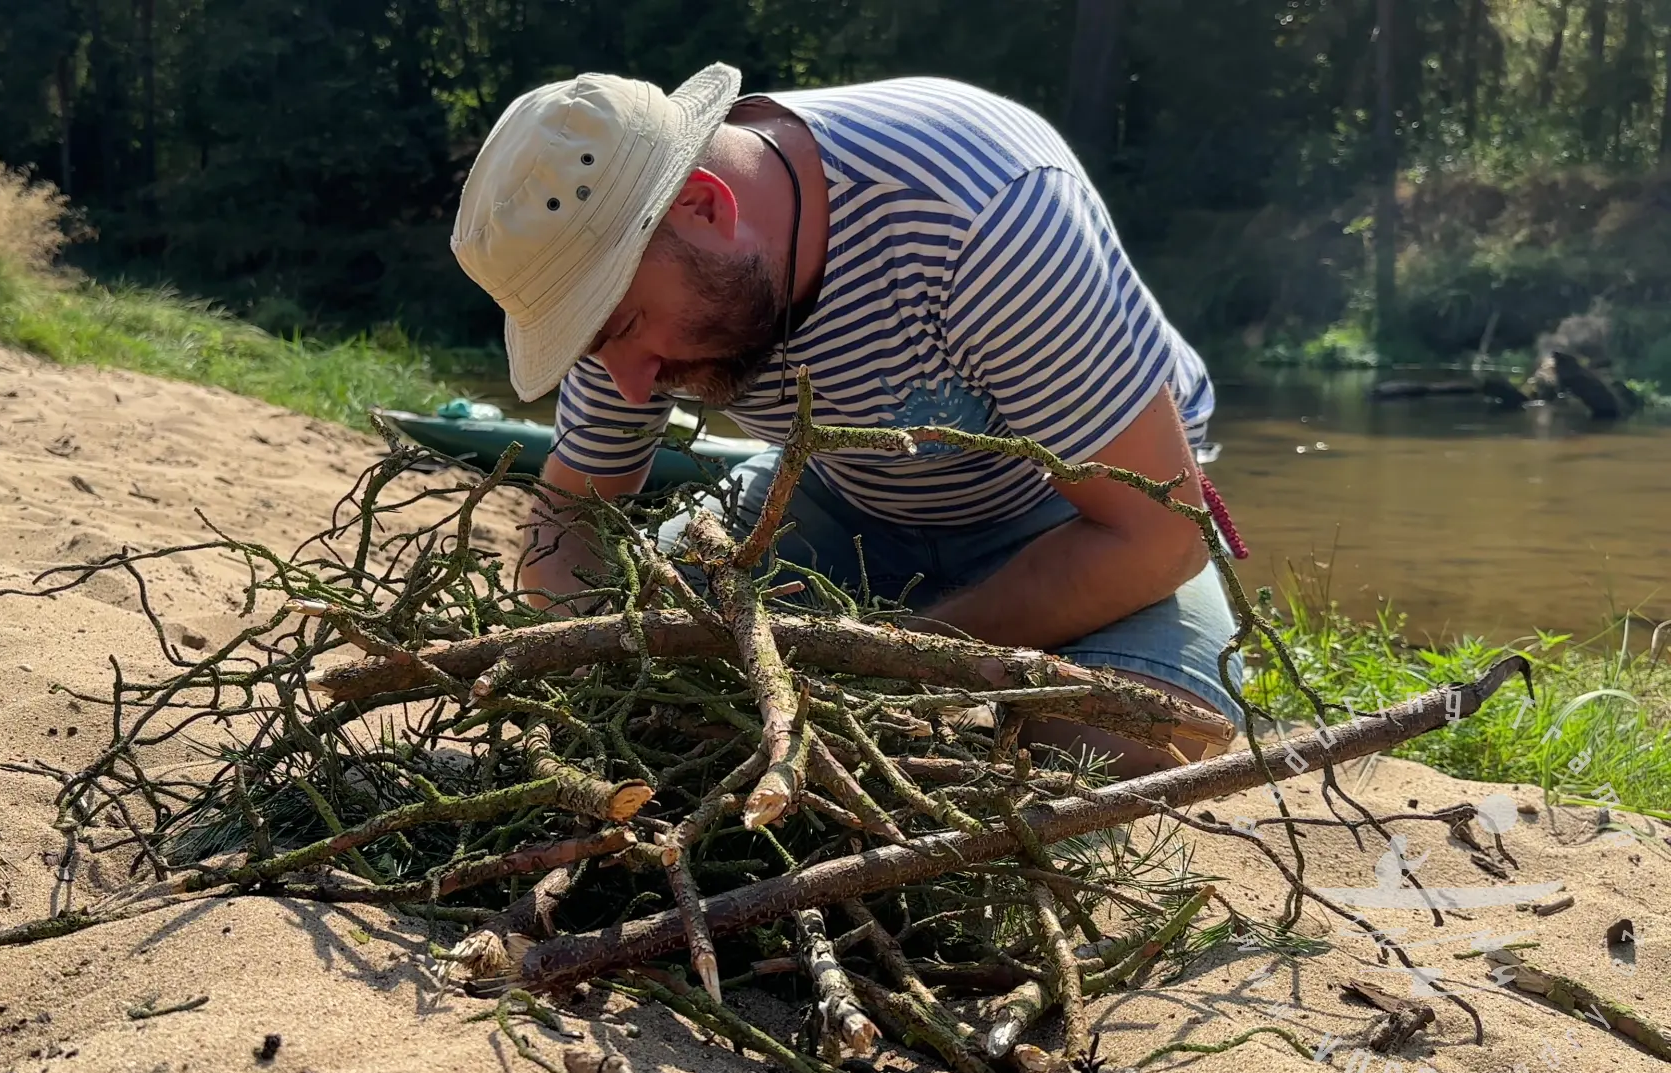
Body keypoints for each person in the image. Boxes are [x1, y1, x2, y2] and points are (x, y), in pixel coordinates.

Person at [449, 63, 1241, 776]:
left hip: (1058, 516)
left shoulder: (987, 214)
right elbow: (572, 516)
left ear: (702, 205)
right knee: (659, 667)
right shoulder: (628, 274)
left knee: (1139, 738)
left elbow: (1154, 536)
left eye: (620, 329)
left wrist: (880, 660)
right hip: (836, 502)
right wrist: (593, 662)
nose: (628, 384)